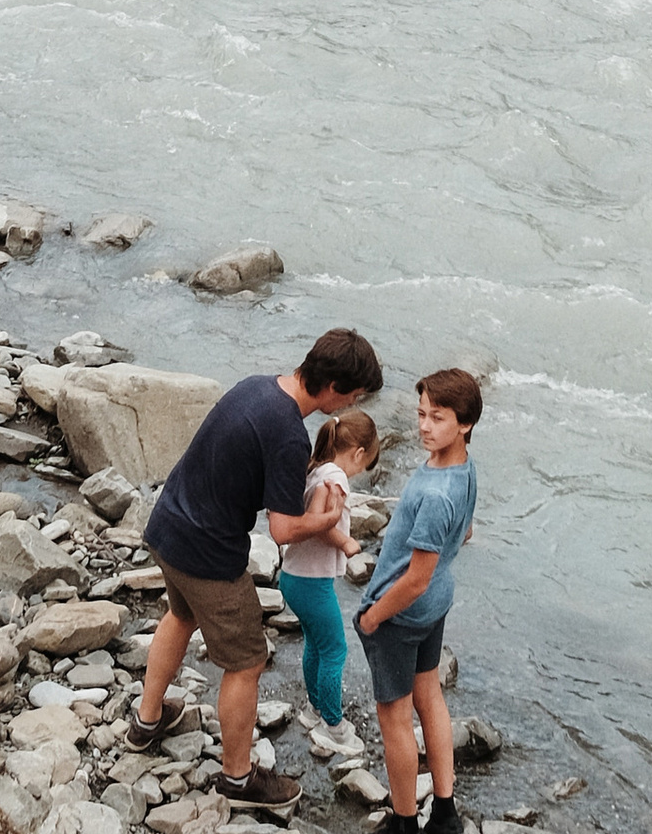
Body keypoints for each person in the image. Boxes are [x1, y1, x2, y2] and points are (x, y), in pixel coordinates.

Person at [131, 327, 383, 818]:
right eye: (353, 394)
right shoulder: (288, 433)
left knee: (180, 617)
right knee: (246, 661)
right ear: (332, 387)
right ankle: (238, 778)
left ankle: (146, 721)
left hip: (169, 525)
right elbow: (286, 530)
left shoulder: (257, 385)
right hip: (208, 552)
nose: (354, 401)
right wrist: (329, 521)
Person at [356, 370, 483, 834]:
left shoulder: (434, 493)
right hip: (436, 603)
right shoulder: (462, 468)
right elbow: (465, 532)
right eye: (421, 414)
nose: (425, 426)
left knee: (393, 716)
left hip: (403, 611)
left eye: (438, 418)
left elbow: (413, 580)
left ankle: (405, 821)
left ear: (464, 424)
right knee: (429, 694)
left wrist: (373, 617)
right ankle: (445, 812)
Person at [278, 408, 378, 734]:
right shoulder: (336, 477)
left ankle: (313, 707)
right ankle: (333, 725)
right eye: (363, 466)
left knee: (315, 645)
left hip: (293, 576)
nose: (359, 472)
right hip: (312, 583)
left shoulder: (315, 469)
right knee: (335, 650)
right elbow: (320, 524)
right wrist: (346, 543)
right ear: (359, 453)